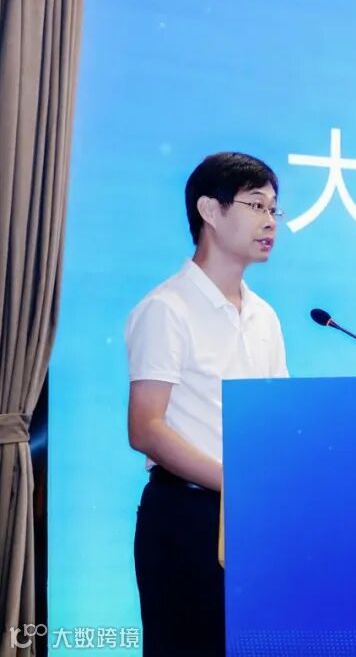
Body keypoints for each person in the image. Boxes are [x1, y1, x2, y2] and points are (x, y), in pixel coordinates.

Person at [124, 152, 288, 656]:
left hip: (255, 516)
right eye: (256, 205)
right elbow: (146, 428)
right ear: (209, 211)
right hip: (187, 517)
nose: (270, 221)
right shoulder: (167, 309)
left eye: (274, 209)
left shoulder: (264, 316)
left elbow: (277, 416)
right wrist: (235, 479)